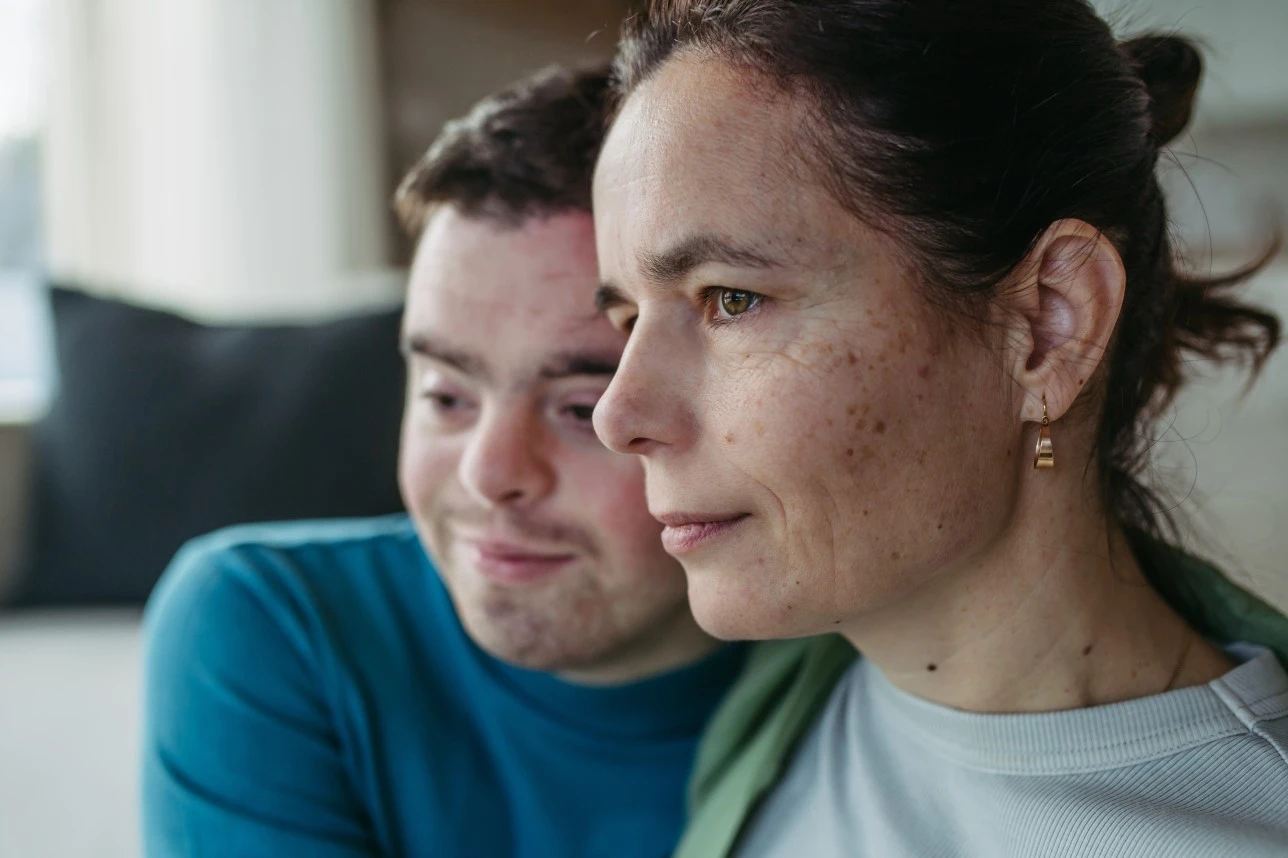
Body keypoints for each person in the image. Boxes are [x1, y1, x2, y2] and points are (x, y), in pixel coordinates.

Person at [590, 2, 1288, 856]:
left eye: (732, 299)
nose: (617, 416)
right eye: (626, 319)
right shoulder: (782, 709)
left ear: (1047, 326)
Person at [140, 64, 744, 858]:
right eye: (445, 395)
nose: (487, 474)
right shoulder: (274, 621)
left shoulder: (861, 662)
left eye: (578, 409)